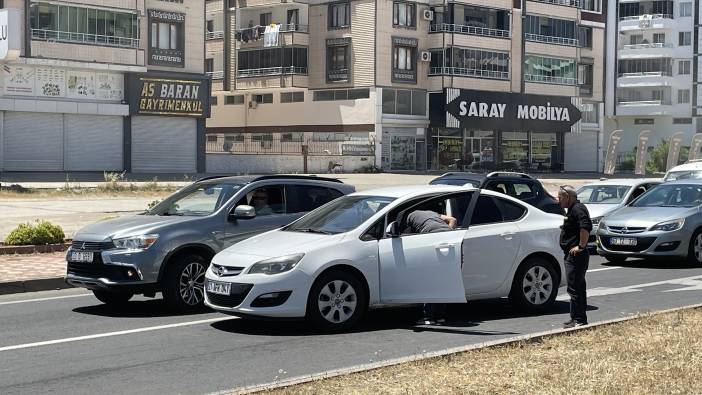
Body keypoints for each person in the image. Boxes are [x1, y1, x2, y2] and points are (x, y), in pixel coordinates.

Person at [404, 210, 457, 326]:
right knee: (442, 283)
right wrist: (447, 234)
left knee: (430, 282)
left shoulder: (409, 216)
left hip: (432, 240)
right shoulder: (433, 214)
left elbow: (408, 237)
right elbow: (453, 220)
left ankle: (429, 318)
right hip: (451, 241)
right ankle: (440, 317)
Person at [558, 185, 592, 328]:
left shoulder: (578, 209)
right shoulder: (572, 209)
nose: (558, 201)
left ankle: (578, 319)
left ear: (568, 197)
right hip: (571, 255)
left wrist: (581, 246)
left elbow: (585, 227)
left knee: (575, 287)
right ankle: (577, 318)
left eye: (560, 198)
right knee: (576, 286)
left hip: (576, 256)